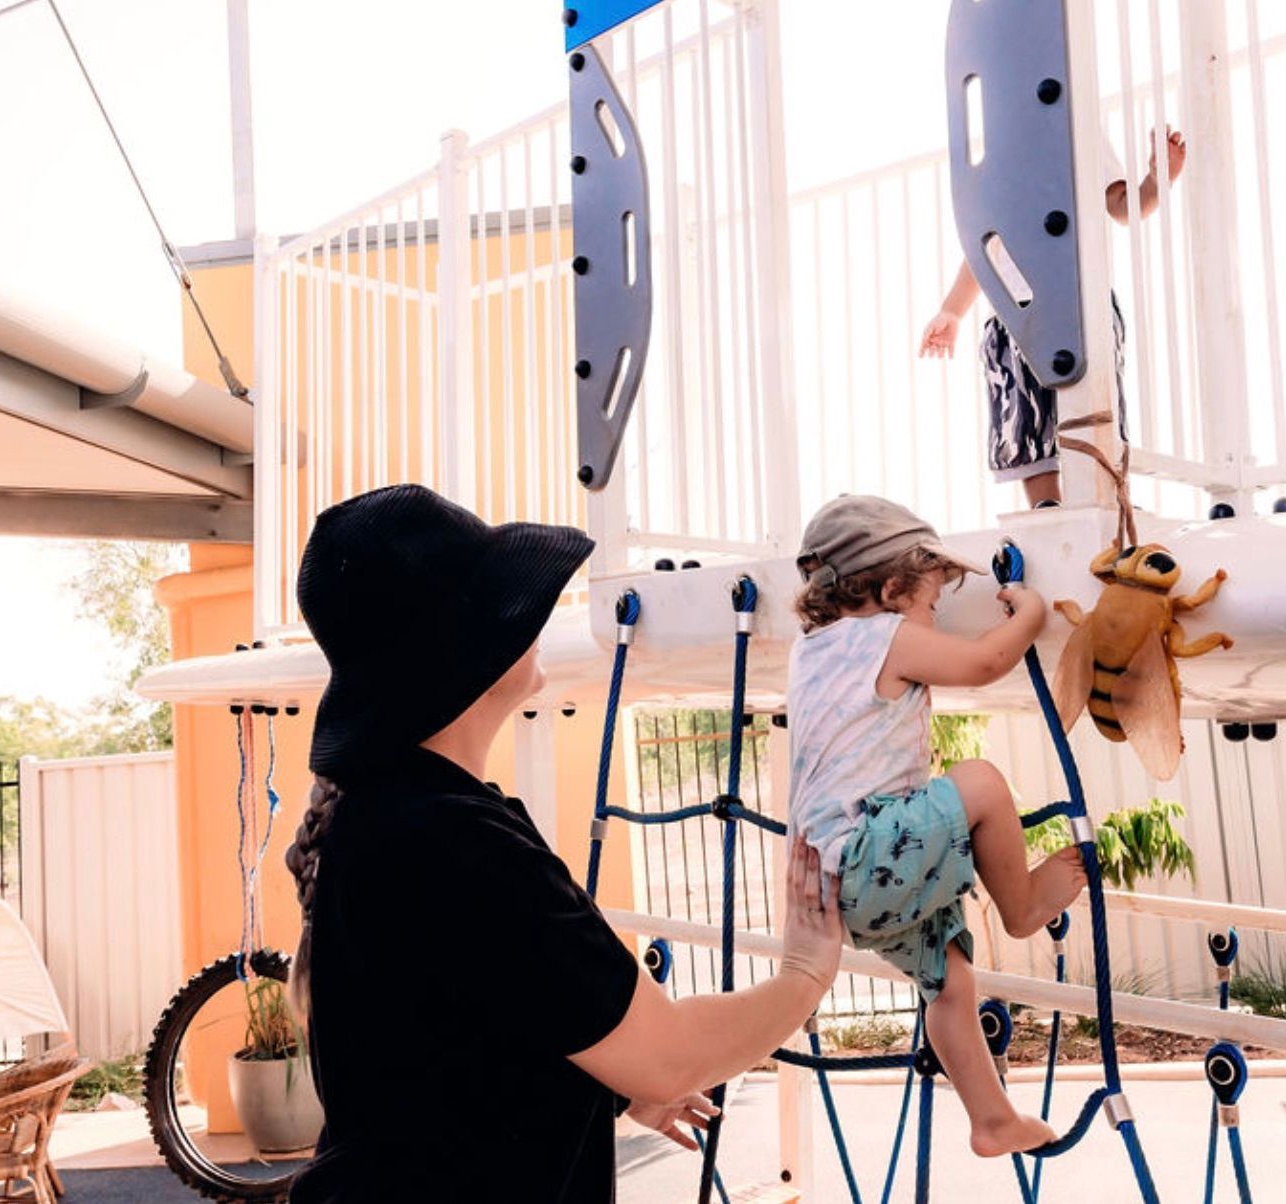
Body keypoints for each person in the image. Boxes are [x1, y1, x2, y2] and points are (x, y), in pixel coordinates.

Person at [283, 484, 844, 1202]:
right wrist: (804, 973)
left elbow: (448, 1038)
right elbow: (671, 1054)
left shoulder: (386, 813)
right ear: (463, 652)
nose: (532, 614)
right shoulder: (455, 842)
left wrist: (605, 1086)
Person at [787, 494, 1087, 1157]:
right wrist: (1030, 614)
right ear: (892, 589)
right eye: (930, 605)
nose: (932, 620)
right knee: (978, 778)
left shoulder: (809, 652)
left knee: (950, 981)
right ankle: (1023, 905)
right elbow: (983, 664)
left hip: (835, 887)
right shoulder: (884, 636)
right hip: (867, 854)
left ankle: (993, 1119)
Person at [919, 127, 1188, 507]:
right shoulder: (999, 154)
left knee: (1099, 404)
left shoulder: (1080, 131)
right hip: (1015, 308)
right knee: (1023, 413)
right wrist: (952, 310)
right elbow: (982, 246)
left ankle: (1110, 498)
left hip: (1081, 302)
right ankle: (1046, 505)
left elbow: (1123, 206)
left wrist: (1159, 179)